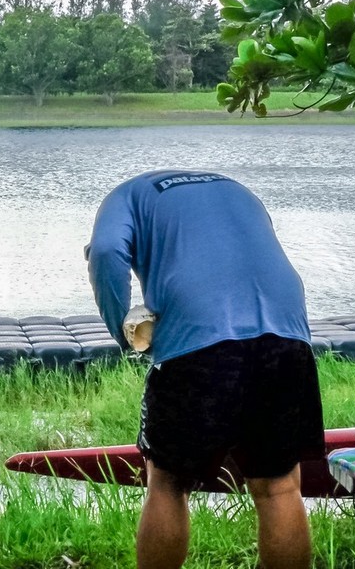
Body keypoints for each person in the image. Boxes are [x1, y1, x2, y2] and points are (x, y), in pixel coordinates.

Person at [84, 169, 324, 569]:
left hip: (197, 337)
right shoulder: (237, 189)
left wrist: (124, 333)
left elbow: (107, 253)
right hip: (287, 335)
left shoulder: (124, 196)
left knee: (168, 483)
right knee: (279, 487)